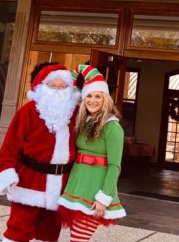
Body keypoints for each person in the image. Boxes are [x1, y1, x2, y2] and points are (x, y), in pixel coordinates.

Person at [0, 62, 80, 242]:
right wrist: (6, 172)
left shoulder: (75, 114)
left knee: (48, 234)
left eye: (63, 86)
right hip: (29, 182)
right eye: (53, 86)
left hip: (60, 186)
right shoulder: (27, 112)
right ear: (42, 87)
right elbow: (9, 147)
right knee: (18, 230)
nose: (58, 90)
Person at [58, 64, 126, 242]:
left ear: (106, 99)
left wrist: (104, 197)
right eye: (88, 95)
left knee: (79, 238)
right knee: (76, 237)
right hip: (77, 184)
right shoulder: (84, 121)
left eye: (98, 96)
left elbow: (114, 166)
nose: (92, 100)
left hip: (95, 189)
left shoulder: (112, 126)